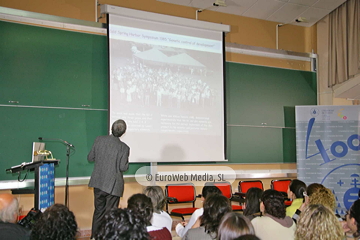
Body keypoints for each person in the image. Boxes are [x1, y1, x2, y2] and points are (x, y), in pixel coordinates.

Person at [88, 119, 130, 238]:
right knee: (110, 215)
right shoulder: (124, 148)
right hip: (113, 185)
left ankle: (94, 237)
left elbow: (90, 157)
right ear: (123, 132)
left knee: (98, 212)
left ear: (111, 128)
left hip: (98, 183)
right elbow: (123, 167)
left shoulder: (99, 140)